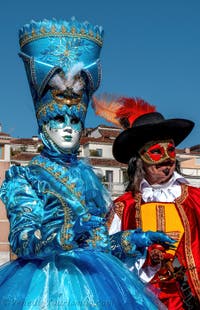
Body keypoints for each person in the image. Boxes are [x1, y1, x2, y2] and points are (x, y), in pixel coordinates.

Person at [0, 18, 172, 310]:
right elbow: (23, 240)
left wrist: (135, 239)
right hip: (45, 286)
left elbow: (100, 244)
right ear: (43, 127)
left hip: (99, 279)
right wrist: (68, 232)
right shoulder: (26, 177)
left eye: (74, 120)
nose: (67, 127)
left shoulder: (88, 177)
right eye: (57, 119)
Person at [94, 96, 200, 309]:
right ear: (140, 160)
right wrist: (140, 249)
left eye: (170, 153)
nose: (166, 162)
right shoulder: (123, 206)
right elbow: (105, 251)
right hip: (142, 299)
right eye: (156, 154)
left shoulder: (195, 198)